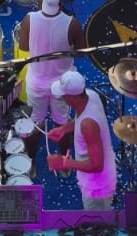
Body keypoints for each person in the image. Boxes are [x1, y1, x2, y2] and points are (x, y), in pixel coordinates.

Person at [16, 0, 83, 134]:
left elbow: (24, 48)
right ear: (60, 3)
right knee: (62, 122)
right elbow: (81, 53)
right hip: (62, 84)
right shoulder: (72, 24)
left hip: (37, 84)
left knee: (34, 123)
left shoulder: (29, 20)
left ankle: (31, 157)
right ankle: (64, 156)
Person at [47, 70, 118, 209]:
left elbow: (96, 166)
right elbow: (80, 120)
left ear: (72, 98)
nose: (61, 98)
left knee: (97, 225)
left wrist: (64, 163)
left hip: (96, 187)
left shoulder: (88, 125)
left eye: (63, 95)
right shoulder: (91, 95)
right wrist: (64, 129)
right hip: (98, 170)